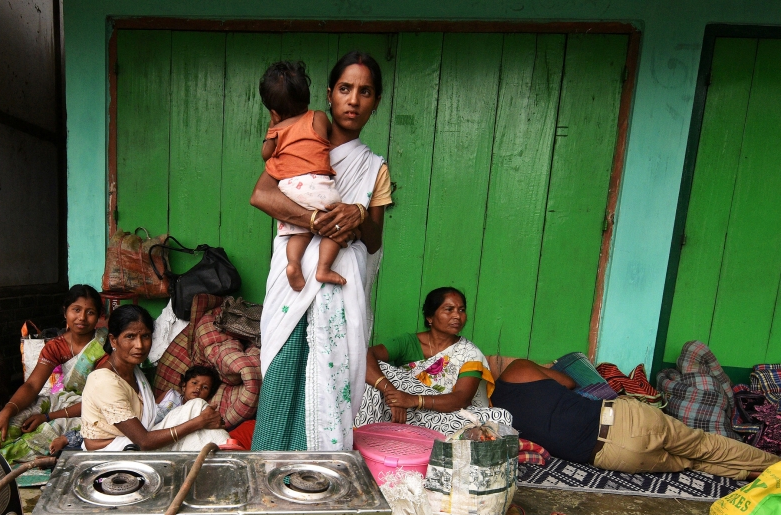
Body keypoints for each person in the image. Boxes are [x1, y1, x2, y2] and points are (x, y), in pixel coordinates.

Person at [250, 51, 394, 451]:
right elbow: (262, 194)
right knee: (284, 373)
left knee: (329, 383)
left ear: (376, 102)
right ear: (329, 94)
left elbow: (374, 240)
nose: (354, 100)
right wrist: (313, 220)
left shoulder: (373, 168)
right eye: (345, 89)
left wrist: (358, 212)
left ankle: (322, 478)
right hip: (294, 285)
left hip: (338, 286)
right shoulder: (304, 138)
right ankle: (269, 474)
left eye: (365, 92)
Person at [492, 358, 780, 480]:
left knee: (696, 462)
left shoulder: (496, 429)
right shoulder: (516, 370)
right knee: (705, 445)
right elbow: (568, 382)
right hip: (624, 420)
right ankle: (775, 467)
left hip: (616, 457)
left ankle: (762, 477)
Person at [355, 287, 511, 434]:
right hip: (397, 410)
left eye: (461, 310)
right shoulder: (409, 343)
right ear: (430, 317)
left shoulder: (470, 353)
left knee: (500, 416)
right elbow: (364, 355)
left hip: (440, 416)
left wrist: (413, 400)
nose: (457, 316)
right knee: (371, 373)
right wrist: (393, 394)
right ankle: (364, 437)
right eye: (449, 310)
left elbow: (461, 399)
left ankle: (407, 434)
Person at [81, 305, 228, 451]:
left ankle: (226, 451)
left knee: (196, 406)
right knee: (198, 416)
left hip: (139, 440)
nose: (139, 345)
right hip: (116, 452)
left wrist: (201, 421)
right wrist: (200, 422)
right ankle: (229, 453)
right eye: (130, 336)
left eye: (145, 336)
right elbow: (144, 442)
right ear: (113, 340)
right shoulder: (103, 381)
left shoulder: (134, 371)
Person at [0, 284, 105, 458]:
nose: (82, 318)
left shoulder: (105, 345)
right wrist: (6, 411)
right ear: (65, 312)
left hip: (93, 409)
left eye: (90, 312)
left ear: (99, 315)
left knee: (46, 431)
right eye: (76, 310)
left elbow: (101, 400)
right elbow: (32, 385)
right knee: (14, 421)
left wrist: (48, 417)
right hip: (62, 401)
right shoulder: (56, 346)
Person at [259, 60, 345, 292]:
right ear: (306, 98)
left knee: (298, 232)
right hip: (316, 184)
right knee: (336, 224)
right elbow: (329, 135)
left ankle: (293, 263)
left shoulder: (277, 129)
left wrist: (273, 125)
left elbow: (266, 155)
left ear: (274, 111)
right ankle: (324, 267)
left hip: (288, 188)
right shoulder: (317, 118)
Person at [153, 365, 222, 426]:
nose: (198, 387)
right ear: (184, 386)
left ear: (209, 395)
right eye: (194, 383)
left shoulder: (199, 412)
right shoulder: (170, 395)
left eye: (205, 387)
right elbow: (151, 410)